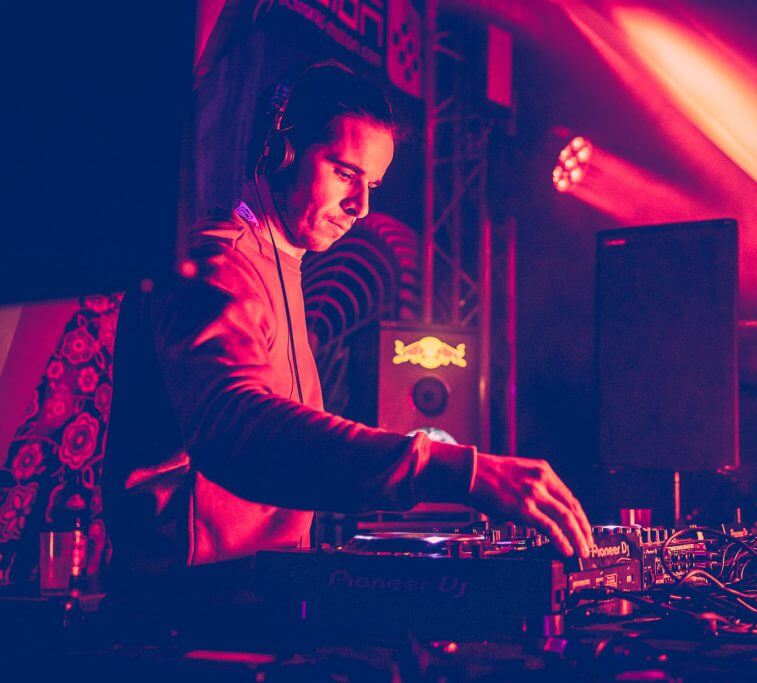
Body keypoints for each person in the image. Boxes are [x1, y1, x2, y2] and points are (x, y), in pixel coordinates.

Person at [103, 61, 593, 584]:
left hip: (248, 595)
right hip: (183, 611)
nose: (361, 206)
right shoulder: (218, 265)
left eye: (372, 184)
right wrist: (455, 470)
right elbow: (236, 429)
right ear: (281, 152)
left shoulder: (282, 265)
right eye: (344, 173)